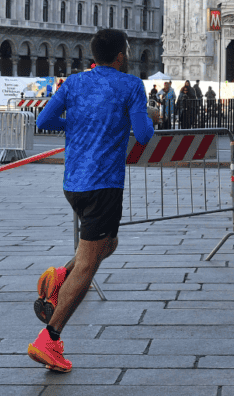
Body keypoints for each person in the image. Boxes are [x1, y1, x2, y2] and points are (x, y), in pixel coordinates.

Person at [28, 28, 158, 372]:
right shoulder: (131, 85)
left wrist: (79, 123)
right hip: (104, 184)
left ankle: (59, 276)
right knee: (89, 263)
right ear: (121, 56)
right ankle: (49, 338)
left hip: (74, 182)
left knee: (108, 244)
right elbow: (144, 135)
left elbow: (44, 120)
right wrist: (151, 117)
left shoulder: (73, 82)